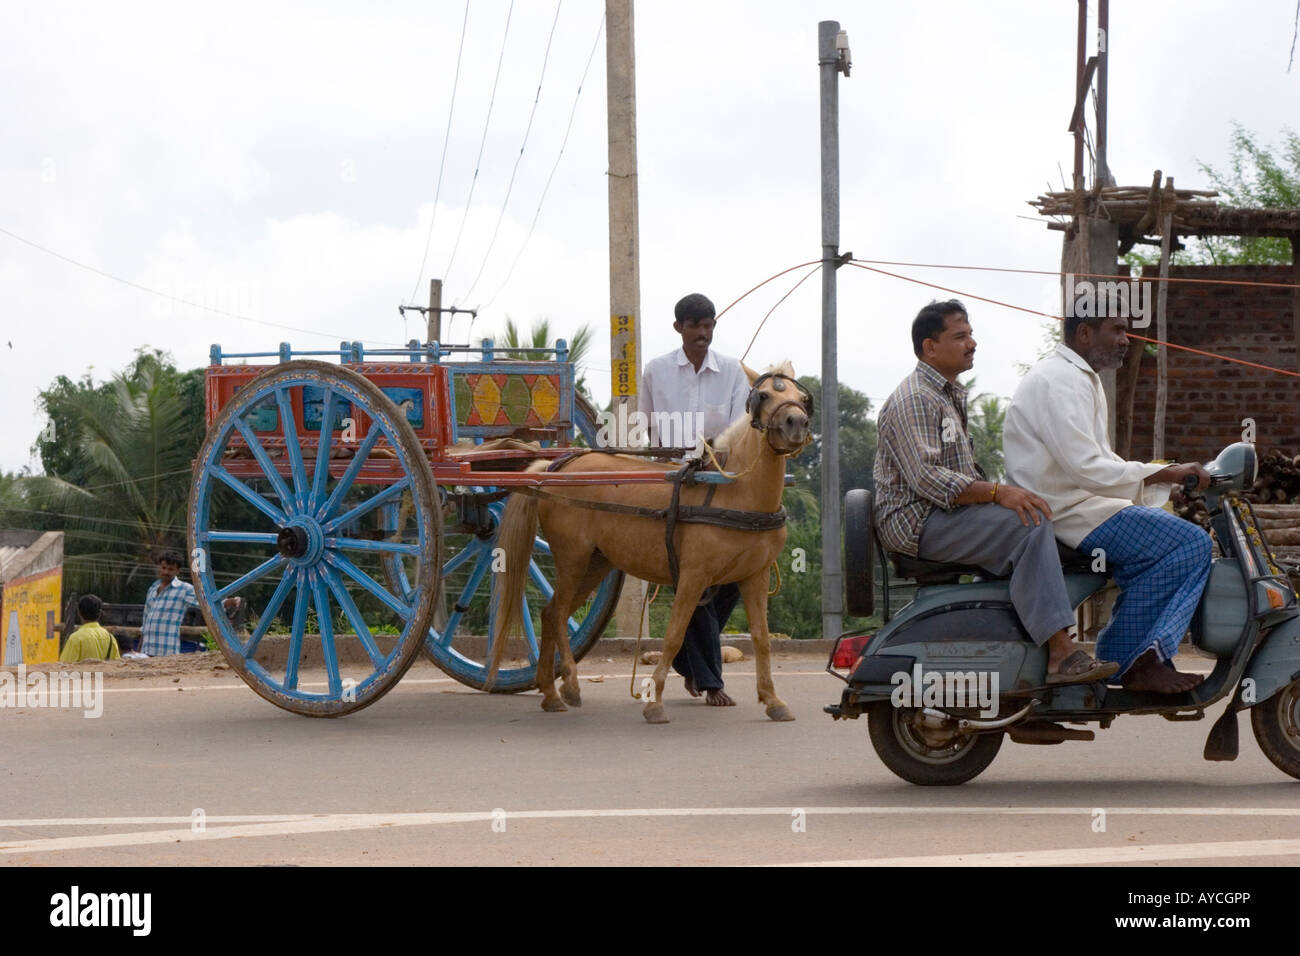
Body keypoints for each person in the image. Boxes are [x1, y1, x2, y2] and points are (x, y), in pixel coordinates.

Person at [874, 299, 1117, 684]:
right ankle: (1060, 652)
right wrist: (998, 494)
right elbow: (927, 478)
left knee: (1028, 514)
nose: (972, 343)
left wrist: (1003, 494)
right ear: (929, 347)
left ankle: (1017, 642)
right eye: (960, 336)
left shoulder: (947, 393)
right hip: (918, 521)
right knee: (1028, 525)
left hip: (942, 515)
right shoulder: (916, 398)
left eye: (970, 334)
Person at [1005, 312, 1212, 694]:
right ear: (1084, 333)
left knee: (1164, 547)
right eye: (1116, 330)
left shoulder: (1077, 376)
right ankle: (1142, 661)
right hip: (1069, 512)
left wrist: (1162, 480)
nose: (1125, 340)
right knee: (1190, 543)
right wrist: (1163, 474)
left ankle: (1122, 656)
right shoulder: (1060, 380)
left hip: (1081, 504)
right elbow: (1088, 468)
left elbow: (1098, 459)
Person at [639, 292, 751, 706]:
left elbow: (743, 427)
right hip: (674, 486)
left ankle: (690, 662)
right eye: (695, 326)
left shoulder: (733, 373)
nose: (703, 334)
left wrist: (718, 453)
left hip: (721, 486)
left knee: (736, 576)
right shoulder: (656, 371)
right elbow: (646, 429)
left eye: (708, 326)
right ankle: (710, 680)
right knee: (699, 580)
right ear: (679, 328)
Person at [140, 550, 202, 656]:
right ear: (159, 567)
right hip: (146, 650)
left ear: (177, 571)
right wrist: (140, 649)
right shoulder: (152, 589)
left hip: (167, 651)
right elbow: (145, 622)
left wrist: (227, 602)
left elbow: (205, 603)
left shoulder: (184, 589)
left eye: (171, 569)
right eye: (164, 568)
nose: (166, 572)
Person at [59, 594, 121, 663]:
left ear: (79, 613)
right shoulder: (111, 638)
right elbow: (116, 665)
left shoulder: (76, 638)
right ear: (100, 613)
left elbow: (64, 666)